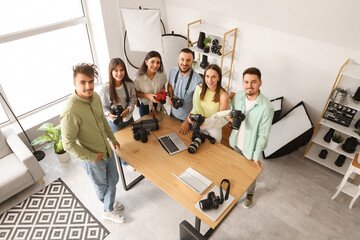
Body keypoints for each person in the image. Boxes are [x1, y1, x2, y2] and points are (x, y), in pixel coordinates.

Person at [60, 63, 125, 223]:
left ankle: (109, 203)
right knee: (102, 186)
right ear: (74, 83)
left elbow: (103, 120)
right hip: (92, 157)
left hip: (106, 149)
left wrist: (112, 138)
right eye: (83, 82)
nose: (88, 86)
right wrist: (91, 157)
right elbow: (68, 144)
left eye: (91, 81)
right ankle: (107, 210)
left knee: (114, 179)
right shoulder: (70, 111)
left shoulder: (95, 97)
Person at [227, 67, 274, 209]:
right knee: (236, 168)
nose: (249, 85)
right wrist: (230, 117)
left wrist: (256, 155)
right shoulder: (239, 96)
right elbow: (233, 111)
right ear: (242, 82)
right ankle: (235, 190)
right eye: (246, 82)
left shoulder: (266, 107)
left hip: (250, 146)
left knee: (250, 174)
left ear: (260, 83)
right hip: (236, 141)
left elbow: (263, 135)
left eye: (253, 82)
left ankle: (250, 193)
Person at [99, 58, 137, 171]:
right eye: (115, 70)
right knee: (119, 143)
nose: (119, 73)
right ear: (110, 72)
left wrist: (128, 109)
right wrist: (110, 115)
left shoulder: (129, 85)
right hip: (114, 122)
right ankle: (124, 162)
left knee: (131, 139)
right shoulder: (105, 90)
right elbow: (103, 106)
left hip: (129, 117)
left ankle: (134, 156)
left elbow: (133, 99)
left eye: (121, 70)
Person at [189, 64, 229, 142]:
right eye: (207, 76)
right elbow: (196, 107)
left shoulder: (223, 95)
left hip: (214, 128)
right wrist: (191, 115)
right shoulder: (199, 89)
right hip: (200, 124)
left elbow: (221, 120)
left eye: (213, 77)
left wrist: (204, 121)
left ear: (218, 78)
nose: (209, 80)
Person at [167, 48, 202, 135]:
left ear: (192, 62)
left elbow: (198, 104)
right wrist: (171, 97)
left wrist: (187, 121)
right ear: (178, 59)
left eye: (188, 60)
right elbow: (169, 85)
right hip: (172, 114)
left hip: (187, 120)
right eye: (182, 59)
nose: (184, 63)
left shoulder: (198, 80)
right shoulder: (172, 71)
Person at [134, 51, 167, 117]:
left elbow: (163, 86)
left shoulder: (162, 74)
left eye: (158, 62)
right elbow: (136, 94)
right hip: (145, 106)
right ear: (146, 62)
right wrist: (148, 96)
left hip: (158, 105)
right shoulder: (137, 79)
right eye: (152, 62)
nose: (155, 65)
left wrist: (162, 93)